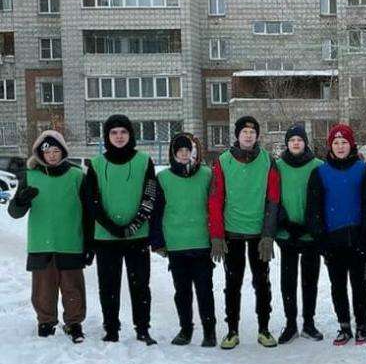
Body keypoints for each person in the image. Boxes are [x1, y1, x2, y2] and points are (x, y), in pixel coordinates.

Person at [7, 131, 90, 342]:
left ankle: (74, 323)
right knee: (43, 287)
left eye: (56, 150)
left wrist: (90, 243)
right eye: (47, 151)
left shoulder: (77, 176)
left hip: (70, 240)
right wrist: (21, 201)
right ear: (39, 153)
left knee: (73, 286)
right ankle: (46, 321)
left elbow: (89, 212)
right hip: (41, 241)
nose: (52, 155)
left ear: (63, 152)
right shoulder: (31, 176)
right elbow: (14, 213)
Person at [209, 115, 281, 349]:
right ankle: (232, 330)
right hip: (232, 232)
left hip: (259, 234)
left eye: (252, 132)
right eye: (244, 132)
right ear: (237, 135)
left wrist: (268, 234)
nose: (248, 135)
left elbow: (273, 199)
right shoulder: (223, 161)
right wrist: (218, 235)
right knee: (233, 283)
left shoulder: (267, 161)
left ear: (257, 135)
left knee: (262, 282)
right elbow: (216, 199)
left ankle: (264, 328)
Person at [85, 114, 157, 344]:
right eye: (114, 132)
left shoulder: (144, 162)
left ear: (130, 135)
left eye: (123, 132)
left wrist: (134, 224)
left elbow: (150, 195)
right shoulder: (96, 164)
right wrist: (112, 227)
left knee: (140, 285)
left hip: (138, 235)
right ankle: (111, 329)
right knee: (108, 285)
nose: (118, 136)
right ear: (107, 136)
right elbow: (91, 202)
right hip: (106, 237)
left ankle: (143, 328)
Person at [306, 123, 366, 346]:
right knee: (337, 286)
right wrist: (321, 240)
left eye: (344, 143)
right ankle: (344, 326)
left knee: (359, 285)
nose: (340, 147)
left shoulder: (364, 170)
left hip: (358, 238)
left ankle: (361, 326)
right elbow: (314, 209)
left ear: (351, 145)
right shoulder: (319, 173)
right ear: (330, 146)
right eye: (336, 143)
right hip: (333, 240)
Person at [149, 133, 216, 347]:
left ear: (193, 152)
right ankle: (185, 329)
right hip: (176, 243)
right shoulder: (164, 179)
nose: (184, 154)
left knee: (205, 290)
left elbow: (216, 206)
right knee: (182, 291)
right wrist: (157, 241)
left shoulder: (207, 174)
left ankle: (209, 331)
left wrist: (217, 236)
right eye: (180, 151)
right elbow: (156, 212)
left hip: (201, 242)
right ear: (173, 154)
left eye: (187, 150)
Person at [274, 125, 323, 344]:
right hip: (287, 234)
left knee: (310, 280)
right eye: (292, 139)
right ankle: (291, 323)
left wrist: (312, 225)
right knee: (288, 280)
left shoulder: (318, 166)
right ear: (287, 143)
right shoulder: (277, 166)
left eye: (299, 140)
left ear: (306, 142)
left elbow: (322, 199)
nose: (296, 143)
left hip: (310, 234)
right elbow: (272, 196)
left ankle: (309, 323)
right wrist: (284, 221)